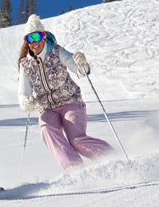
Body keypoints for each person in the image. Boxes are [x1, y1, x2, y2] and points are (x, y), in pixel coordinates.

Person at [17, 14, 113, 170]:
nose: (34, 42)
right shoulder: (25, 64)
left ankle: (112, 157)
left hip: (70, 102)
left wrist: (82, 64)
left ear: (43, 36)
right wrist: (25, 102)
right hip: (47, 108)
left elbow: (79, 70)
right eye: (29, 38)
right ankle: (74, 168)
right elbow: (23, 92)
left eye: (36, 36)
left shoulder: (56, 51)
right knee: (47, 129)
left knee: (77, 140)